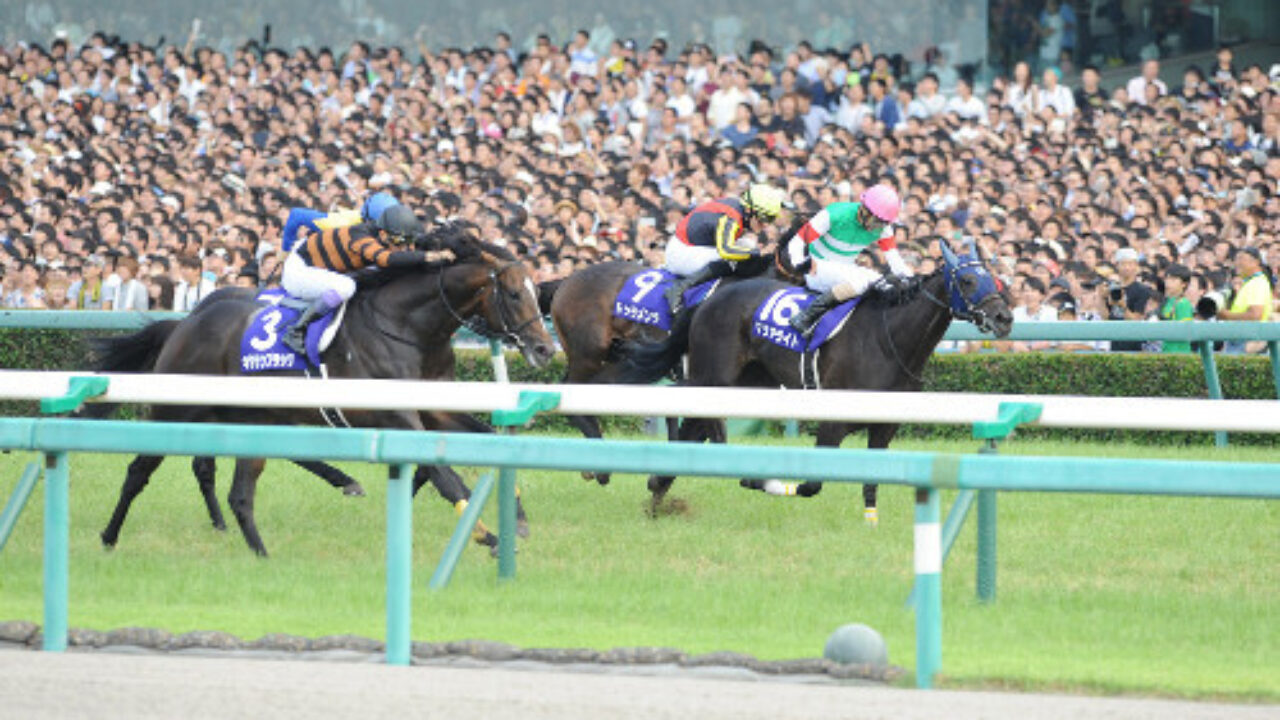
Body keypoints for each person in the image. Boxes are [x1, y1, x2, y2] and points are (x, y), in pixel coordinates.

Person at [279, 204, 453, 355]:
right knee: (346, 287)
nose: (407, 248)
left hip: (320, 265)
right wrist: (430, 256)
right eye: (401, 241)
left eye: (410, 241)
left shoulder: (386, 235)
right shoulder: (360, 238)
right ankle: (297, 330)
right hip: (299, 270)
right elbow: (386, 259)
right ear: (383, 235)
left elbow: (416, 242)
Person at [786, 185, 910, 338]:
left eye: (882, 223)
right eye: (876, 221)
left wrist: (912, 280)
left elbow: (894, 259)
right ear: (865, 210)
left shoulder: (884, 227)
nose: (877, 227)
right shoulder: (835, 213)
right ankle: (806, 316)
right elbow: (796, 242)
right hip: (817, 268)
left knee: (882, 282)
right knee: (862, 283)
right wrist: (801, 263)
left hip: (845, 271)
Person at [662, 183, 791, 315]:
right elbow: (727, 251)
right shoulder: (731, 218)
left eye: (771, 219)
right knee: (732, 258)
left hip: (697, 245)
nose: (766, 224)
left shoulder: (739, 211)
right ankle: (679, 288)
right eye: (764, 218)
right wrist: (759, 252)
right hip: (681, 252)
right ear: (749, 210)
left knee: (748, 244)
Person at [1215, 246, 1273, 354]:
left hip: (1245, 339)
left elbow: (1255, 315)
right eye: (1236, 259)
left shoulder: (1258, 282)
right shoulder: (1250, 282)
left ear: (1255, 262)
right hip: (1239, 338)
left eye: (1241, 258)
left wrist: (1227, 315)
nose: (1237, 263)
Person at [1158, 263, 1194, 353]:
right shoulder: (1168, 301)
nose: (1168, 283)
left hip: (1180, 353)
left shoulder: (1183, 303)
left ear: (1184, 284)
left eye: (1173, 280)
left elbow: (1185, 331)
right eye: (1167, 278)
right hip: (1165, 351)